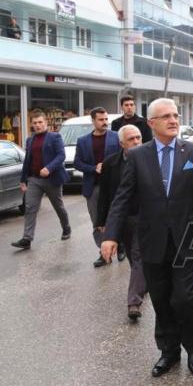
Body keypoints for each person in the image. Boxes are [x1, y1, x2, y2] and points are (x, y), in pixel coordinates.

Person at [101, 98, 193, 378]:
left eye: (175, 115)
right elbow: (122, 198)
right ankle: (169, 351)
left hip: (188, 237)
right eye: (166, 116)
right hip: (152, 239)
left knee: (185, 297)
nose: (173, 120)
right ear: (152, 123)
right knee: (161, 298)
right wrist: (110, 235)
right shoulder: (137, 156)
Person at [97, 125, 147, 321]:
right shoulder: (110, 164)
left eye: (138, 138)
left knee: (138, 255)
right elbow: (105, 194)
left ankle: (134, 302)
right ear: (121, 144)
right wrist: (102, 221)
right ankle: (143, 283)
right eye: (131, 139)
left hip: (145, 217)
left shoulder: (150, 159)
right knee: (134, 259)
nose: (136, 142)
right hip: (123, 218)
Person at [11, 110, 71, 249]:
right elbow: (27, 160)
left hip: (52, 179)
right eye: (35, 123)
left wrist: (49, 168)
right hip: (34, 179)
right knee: (30, 207)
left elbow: (61, 156)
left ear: (46, 123)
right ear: (32, 124)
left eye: (40, 122)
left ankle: (66, 228)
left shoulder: (55, 137)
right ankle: (27, 238)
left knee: (58, 206)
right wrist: (23, 179)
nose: (37, 125)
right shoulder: (30, 140)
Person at [74, 107, 120, 267]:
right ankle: (103, 253)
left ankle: (121, 246)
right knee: (97, 222)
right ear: (93, 121)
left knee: (116, 218)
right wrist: (94, 168)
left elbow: (123, 157)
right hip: (93, 186)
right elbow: (77, 163)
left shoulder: (116, 137)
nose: (105, 122)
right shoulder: (83, 141)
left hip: (114, 186)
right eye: (101, 120)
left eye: (106, 119)